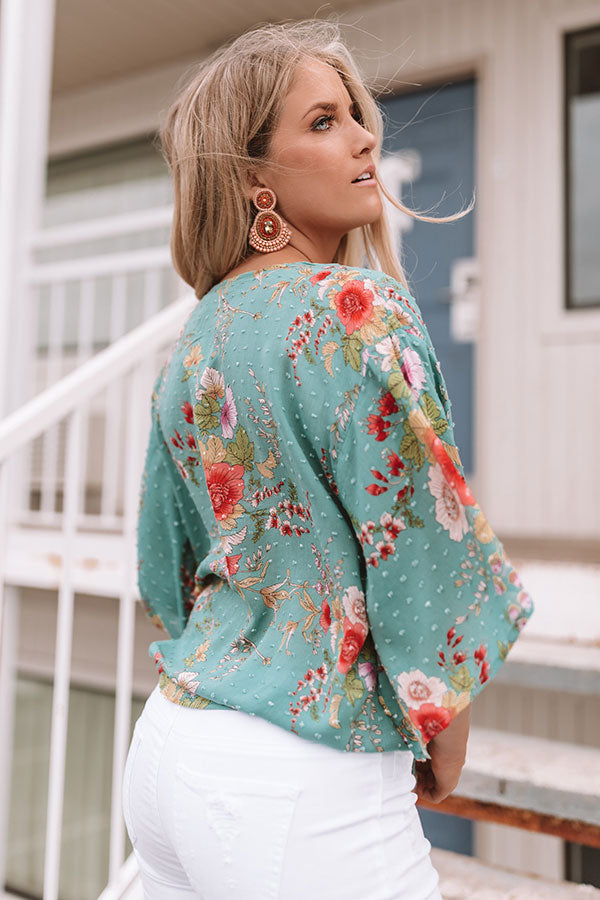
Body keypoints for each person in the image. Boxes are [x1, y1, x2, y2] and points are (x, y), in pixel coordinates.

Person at [122, 18, 535, 900]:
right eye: (322, 121)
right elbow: (419, 537)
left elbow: (166, 565)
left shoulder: (196, 339)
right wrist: (444, 722)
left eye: (354, 115)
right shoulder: (355, 308)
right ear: (256, 180)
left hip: (171, 749)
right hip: (299, 776)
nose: (363, 138)